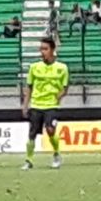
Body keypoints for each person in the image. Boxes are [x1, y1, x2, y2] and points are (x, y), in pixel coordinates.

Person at [22, 37, 68, 171]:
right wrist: (25, 105)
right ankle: (28, 160)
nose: (42, 52)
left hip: (52, 105)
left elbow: (65, 87)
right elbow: (29, 87)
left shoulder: (62, 68)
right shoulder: (34, 67)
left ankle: (56, 154)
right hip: (36, 104)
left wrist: (60, 95)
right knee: (32, 134)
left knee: (50, 129)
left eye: (45, 49)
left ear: (52, 50)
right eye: (41, 49)